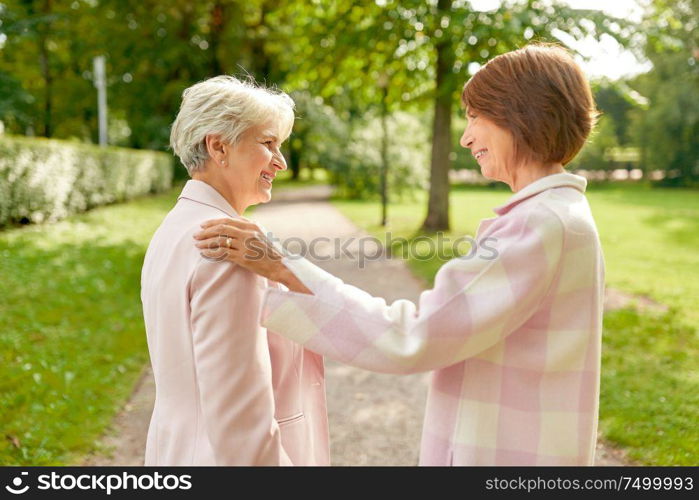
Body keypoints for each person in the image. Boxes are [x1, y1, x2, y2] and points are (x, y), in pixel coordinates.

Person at [194, 44, 605, 466]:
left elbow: (412, 337)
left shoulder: (539, 225)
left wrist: (280, 268)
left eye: (475, 117)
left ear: (521, 115)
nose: (466, 137)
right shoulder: (557, 216)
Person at [141, 75, 329, 466]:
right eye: (268, 143)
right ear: (219, 146)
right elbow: (243, 426)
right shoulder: (229, 248)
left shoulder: (173, 228)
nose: (281, 162)